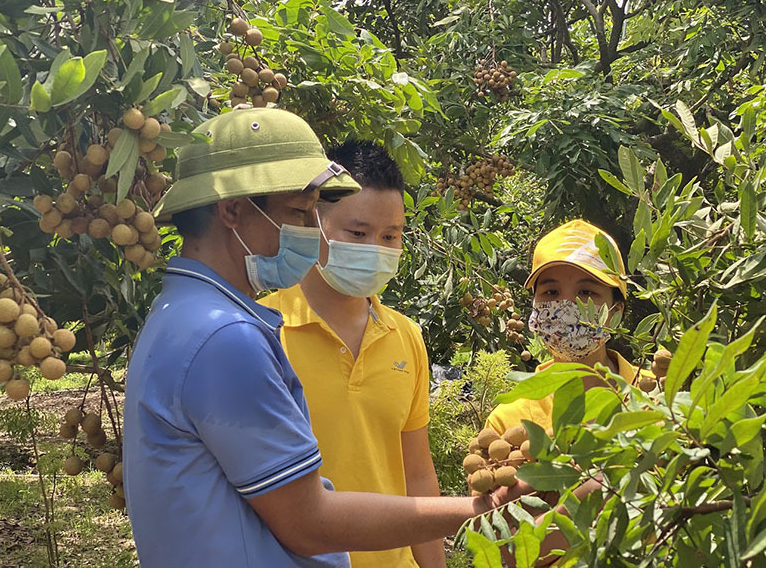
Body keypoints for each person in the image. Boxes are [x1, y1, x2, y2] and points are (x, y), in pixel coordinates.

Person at [123, 107, 531, 568]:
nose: (310, 235)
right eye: (299, 212)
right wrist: (485, 509)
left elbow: (413, 470)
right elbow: (308, 522)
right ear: (233, 210)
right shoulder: (226, 337)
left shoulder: (182, 312)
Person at [259, 141, 444, 568]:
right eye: (357, 233)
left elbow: (416, 472)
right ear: (313, 222)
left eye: (390, 236)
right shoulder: (261, 330)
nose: (375, 248)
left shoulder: (406, 336)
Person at [486, 219, 653, 567]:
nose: (567, 305)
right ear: (535, 310)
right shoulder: (511, 418)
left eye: (587, 293)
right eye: (550, 292)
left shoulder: (657, 399)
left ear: (616, 311)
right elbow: (505, 553)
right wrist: (595, 491)